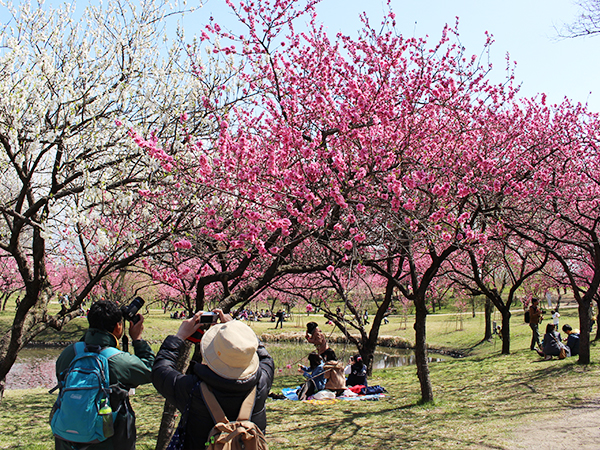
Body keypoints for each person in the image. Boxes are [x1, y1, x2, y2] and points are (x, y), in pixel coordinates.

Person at [152, 309, 274, 449]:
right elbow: (266, 358)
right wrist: (238, 331)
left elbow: (160, 371)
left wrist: (179, 336)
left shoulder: (192, 389)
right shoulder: (262, 382)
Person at [54, 300, 155, 450]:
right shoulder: (118, 360)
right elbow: (150, 370)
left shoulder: (70, 353)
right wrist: (138, 340)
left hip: (66, 439)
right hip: (110, 441)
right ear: (118, 326)